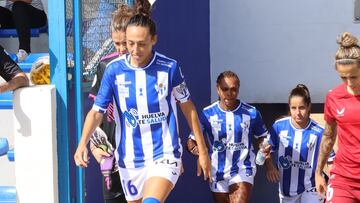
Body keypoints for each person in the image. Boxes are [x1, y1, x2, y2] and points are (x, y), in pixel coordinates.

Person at [74, 4, 211, 203]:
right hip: (129, 159)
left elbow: (187, 107)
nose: (134, 50)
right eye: (130, 43)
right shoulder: (113, 70)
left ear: (153, 40)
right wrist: (82, 144)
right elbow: (97, 112)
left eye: (141, 44)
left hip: (164, 153)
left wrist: (203, 150)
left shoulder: (169, 67)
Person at [187, 71, 269, 203]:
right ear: (217, 89)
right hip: (217, 171)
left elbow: (262, 137)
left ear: (238, 90)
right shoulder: (207, 114)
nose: (229, 93)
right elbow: (191, 141)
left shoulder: (251, 112)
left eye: (233, 89)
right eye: (225, 89)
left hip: (243, 169)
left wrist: (264, 149)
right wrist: (200, 154)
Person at [87, 3, 139, 203]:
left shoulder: (148, 65)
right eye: (116, 43)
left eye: (124, 43)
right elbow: (95, 110)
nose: (121, 49)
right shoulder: (105, 65)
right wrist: (95, 145)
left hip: (139, 148)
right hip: (111, 150)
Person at [265, 84, 334, 203]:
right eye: (293, 108)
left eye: (301, 107)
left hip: (312, 188)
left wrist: (333, 184)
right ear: (289, 108)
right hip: (286, 190)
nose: (298, 112)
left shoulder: (319, 132)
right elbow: (264, 150)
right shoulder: (279, 127)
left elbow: (331, 159)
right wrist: (269, 166)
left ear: (308, 107)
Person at [315, 32, 360, 203]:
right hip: (343, 179)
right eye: (343, 77)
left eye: (353, 76)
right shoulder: (333, 97)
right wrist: (319, 173)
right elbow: (328, 136)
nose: (348, 82)